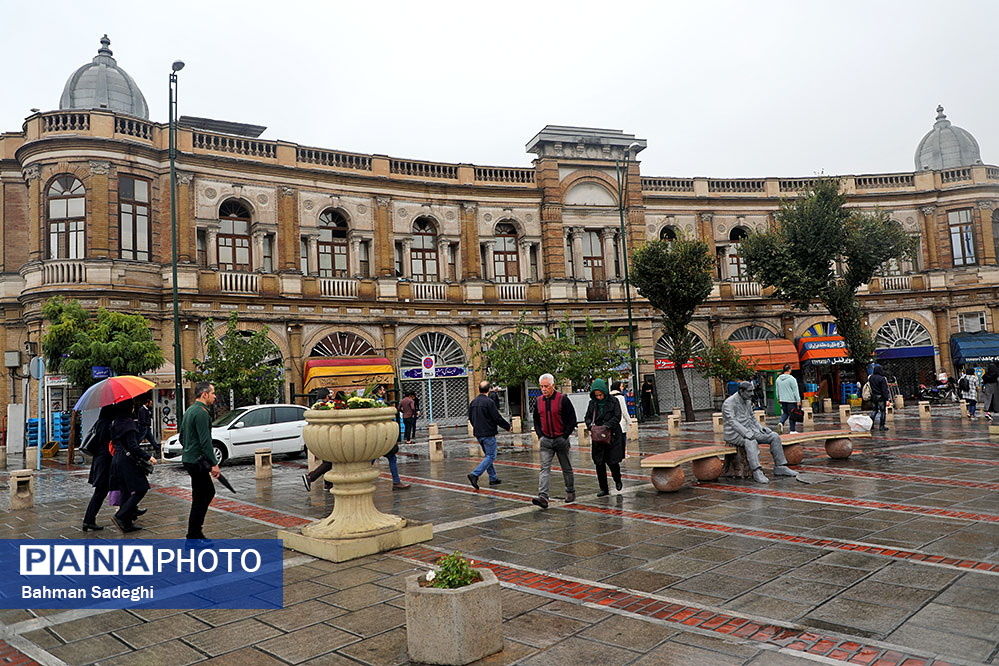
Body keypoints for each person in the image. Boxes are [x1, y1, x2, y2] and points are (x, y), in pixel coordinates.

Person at [722, 381, 797, 484]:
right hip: (735, 434)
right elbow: (732, 422)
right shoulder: (729, 403)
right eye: (749, 391)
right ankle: (756, 470)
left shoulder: (747, 400)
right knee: (751, 441)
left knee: (774, 436)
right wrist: (746, 433)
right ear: (741, 391)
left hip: (751, 430)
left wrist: (761, 428)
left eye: (752, 391)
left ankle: (780, 467)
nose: (752, 394)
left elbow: (752, 418)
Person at [108, 399, 156, 532]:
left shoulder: (115, 422)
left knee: (125, 492)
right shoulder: (128, 424)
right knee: (141, 488)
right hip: (127, 462)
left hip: (116, 459)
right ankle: (120, 516)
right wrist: (148, 457)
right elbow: (133, 447)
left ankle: (127, 523)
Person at [180, 382, 220, 540]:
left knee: (201, 494)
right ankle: (194, 534)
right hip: (197, 461)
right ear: (204, 394)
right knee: (205, 494)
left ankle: (195, 532)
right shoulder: (202, 413)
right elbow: (206, 441)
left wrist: (189, 449)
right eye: (213, 393)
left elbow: (182, 437)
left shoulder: (190, 410)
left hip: (189, 459)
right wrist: (214, 463)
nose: (215, 396)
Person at [530, 373, 577, 508]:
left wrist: (565, 436)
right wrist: (540, 435)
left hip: (560, 439)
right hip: (546, 440)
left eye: (546, 386)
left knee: (566, 467)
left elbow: (571, 419)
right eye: (541, 387)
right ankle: (543, 496)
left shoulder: (563, 399)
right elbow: (536, 419)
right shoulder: (539, 401)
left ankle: (570, 491)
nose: (544, 389)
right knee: (544, 468)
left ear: (553, 386)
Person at [467, 381, 512, 489]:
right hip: (488, 433)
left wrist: (476, 427)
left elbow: (471, 418)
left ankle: (493, 478)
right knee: (491, 456)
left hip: (478, 433)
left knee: (488, 455)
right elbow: (496, 417)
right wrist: (507, 426)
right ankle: (475, 474)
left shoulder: (473, 402)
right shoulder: (489, 402)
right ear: (489, 390)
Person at [587, 380, 625, 497]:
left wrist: (607, 426)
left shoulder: (614, 401)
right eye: (596, 395)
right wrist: (591, 427)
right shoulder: (592, 404)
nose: (599, 397)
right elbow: (587, 417)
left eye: (600, 394)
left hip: (612, 435)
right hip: (598, 438)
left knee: (613, 461)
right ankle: (603, 488)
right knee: (599, 463)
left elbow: (617, 416)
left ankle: (617, 479)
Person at [81, 406, 115, 531]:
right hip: (104, 462)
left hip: (100, 461)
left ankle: (89, 520)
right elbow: (109, 443)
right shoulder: (107, 425)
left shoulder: (100, 423)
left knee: (101, 491)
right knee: (100, 492)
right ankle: (88, 520)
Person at [373, 385, 409, 489]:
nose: (384, 391)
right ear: (379, 391)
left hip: (377, 436)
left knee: (372, 460)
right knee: (391, 458)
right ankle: (396, 482)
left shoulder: (374, 402)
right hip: (384, 436)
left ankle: (396, 481)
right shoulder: (380, 403)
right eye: (382, 389)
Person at [775, 364, 801, 434]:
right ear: (789, 370)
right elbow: (795, 390)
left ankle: (781, 422)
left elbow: (777, 390)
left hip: (783, 399)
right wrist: (798, 400)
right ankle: (792, 430)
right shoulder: (792, 379)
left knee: (785, 413)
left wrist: (778, 398)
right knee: (792, 415)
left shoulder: (778, 379)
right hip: (791, 400)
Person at [867, 364, 891, 431]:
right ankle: (882, 426)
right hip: (881, 397)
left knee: (874, 411)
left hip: (874, 396)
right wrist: (887, 399)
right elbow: (884, 390)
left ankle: (871, 425)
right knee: (882, 411)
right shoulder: (882, 378)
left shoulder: (871, 378)